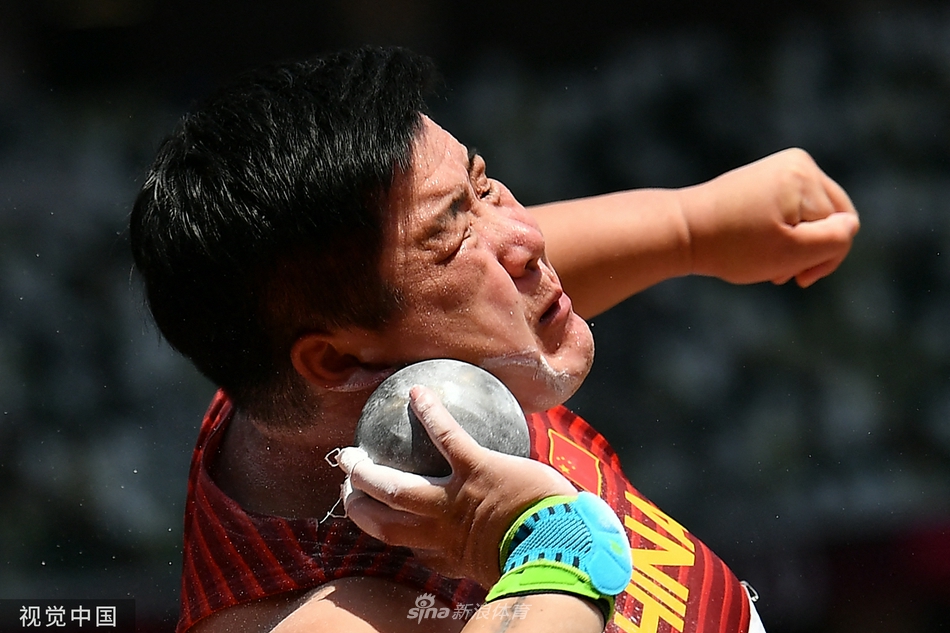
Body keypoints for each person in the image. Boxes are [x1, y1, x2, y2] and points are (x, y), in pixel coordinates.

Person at [129, 47, 859, 633]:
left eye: (482, 185)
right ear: (339, 359)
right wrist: (545, 541)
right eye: (453, 234)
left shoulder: (317, 367)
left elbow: (457, 276)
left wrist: (691, 226)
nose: (528, 239)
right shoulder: (317, 613)